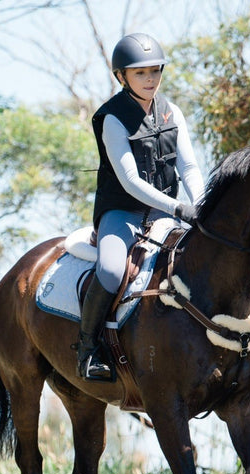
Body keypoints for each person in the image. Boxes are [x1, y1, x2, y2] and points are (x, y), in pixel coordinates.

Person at [77, 32, 205, 381]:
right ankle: (88, 348)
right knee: (111, 272)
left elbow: (189, 167)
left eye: (155, 71)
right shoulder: (112, 118)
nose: (150, 80)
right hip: (123, 213)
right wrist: (180, 209)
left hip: (165, 215)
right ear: (121, 77)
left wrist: (202, 205)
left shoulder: (171, 111)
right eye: (140, 73)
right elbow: (131, 181)